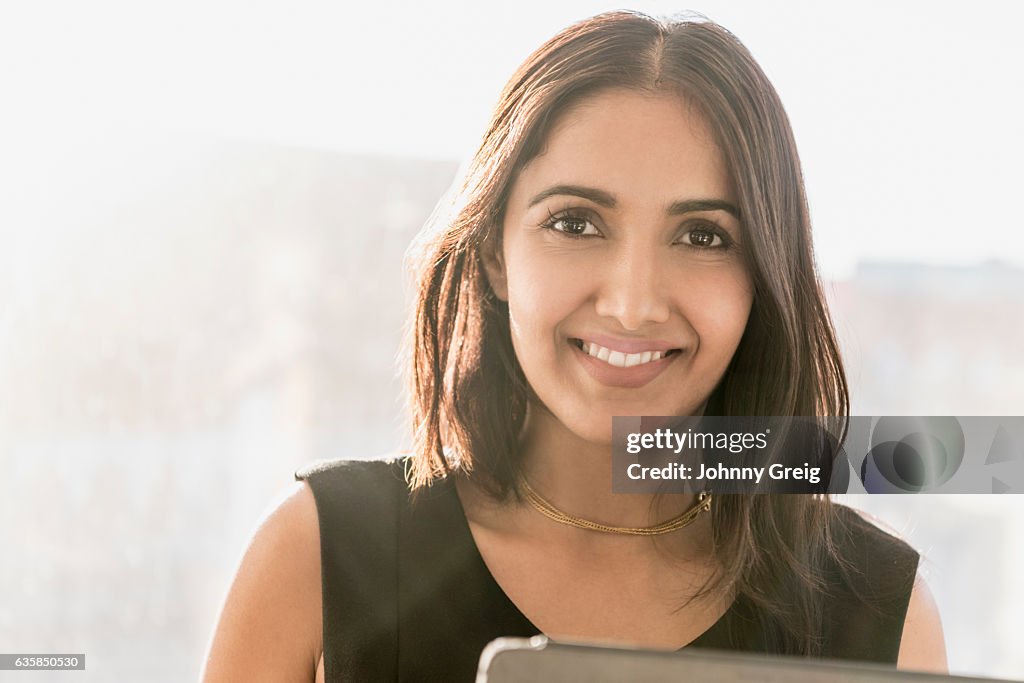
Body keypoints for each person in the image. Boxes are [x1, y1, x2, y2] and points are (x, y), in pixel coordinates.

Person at [202, 11, 947, 682]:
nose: (631, 302)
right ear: (494, 249)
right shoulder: (317, 554)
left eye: (702, 236)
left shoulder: (880, 612)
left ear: (763, 277)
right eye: (576, 223)